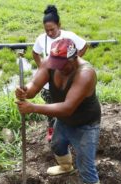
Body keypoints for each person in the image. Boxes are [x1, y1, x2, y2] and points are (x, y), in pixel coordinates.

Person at [17, 38, 100, 184]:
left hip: (85, 124)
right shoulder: (51, 62)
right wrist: (24, 91)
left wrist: (33, 108)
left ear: (74, 58)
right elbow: (34, 87)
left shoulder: (86, 74)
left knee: (86, 165)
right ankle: (65, 167)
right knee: (57, 144)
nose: (58, 68)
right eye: (55, 64)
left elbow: (67, 107)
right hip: (63, 120)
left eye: (62, 65)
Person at [32, 4, 88, 142]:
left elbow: (84, 45)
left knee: (68, 107)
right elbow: (35, 53)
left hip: (66, 80)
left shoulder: (69, 37)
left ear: (59, 25)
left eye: (52, 29)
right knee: (51, 107)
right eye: (47, 30)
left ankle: (71, 129)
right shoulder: (41, 39)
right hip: (49, 83)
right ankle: (52, 129)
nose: (50, 33)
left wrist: (75, 62)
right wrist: (42, 68)